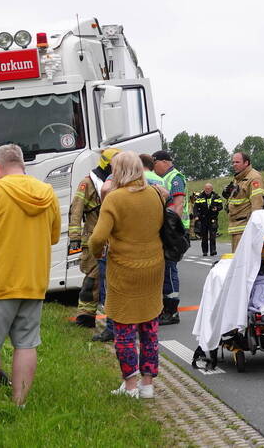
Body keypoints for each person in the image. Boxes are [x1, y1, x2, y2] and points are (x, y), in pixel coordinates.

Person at [88, 151, 165, 399]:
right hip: (154, 267)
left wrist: (98, 252)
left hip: (125, 270)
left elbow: (98, 238)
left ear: (119, 171)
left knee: (123, 328)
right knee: (149, 327)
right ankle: (148, 384)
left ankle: (130, 386)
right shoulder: (154, 195)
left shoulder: (115, 199)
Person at [0, 144, 61, 407]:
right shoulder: (47, 192)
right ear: (22, 164)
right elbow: (53, 237)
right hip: (33, 282)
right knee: (26, 344)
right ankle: (19, 403)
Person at [68, 147, 119, 328]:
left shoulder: (116, 182)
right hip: (92, 237)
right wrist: (74, 237)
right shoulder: (88, 183)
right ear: (108, 164)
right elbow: (76, 211)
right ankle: (85, 316)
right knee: (93, 276)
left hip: (113, 238)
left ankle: (110, 317)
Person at [152, 150, 187, 326]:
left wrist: (172, 230)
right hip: (166, 228)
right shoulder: (162, 178)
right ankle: (166, 308)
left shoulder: (175, 178)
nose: (153, 166)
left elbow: (178, 205)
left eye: (155, 162)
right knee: (165, 270)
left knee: (170, 269)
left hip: (173, 230)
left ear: (165, 161)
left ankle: (172, 311)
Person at [222, 152, 264, 252]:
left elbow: (257, 204)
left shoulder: (254, 178)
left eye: (237, 162)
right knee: (237, 262)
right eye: (233, 162)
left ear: (246, 163)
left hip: (245, 229)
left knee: (242, 264)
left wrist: (254, 228)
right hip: (236, 228)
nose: (234, 164)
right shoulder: (238, 178)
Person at [192, 183, 223, 257]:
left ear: (212, 189)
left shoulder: (216, 196)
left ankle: (213, 251)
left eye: (209, 189)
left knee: (213, 235)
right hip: (203, 218)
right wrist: (196, 216)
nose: (207, 190)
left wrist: (217, 208)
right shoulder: (200, 197)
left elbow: (220, 206)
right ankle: (205, 251)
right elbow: (195, 208)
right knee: (204, 236)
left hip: (213, 218)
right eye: (206, 189)